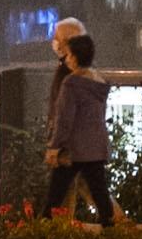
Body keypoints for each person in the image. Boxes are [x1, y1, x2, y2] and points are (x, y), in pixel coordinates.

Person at [41, 26, 118, 225]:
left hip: (73, 150)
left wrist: (54, 147)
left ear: (74, 57)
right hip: (96, 148)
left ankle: (41, 229)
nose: (66, 59)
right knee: (100, 193)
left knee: (55, 194)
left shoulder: (71, 84)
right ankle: (112, 231)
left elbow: (64, 120)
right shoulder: (99, 82)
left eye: (68, 55)